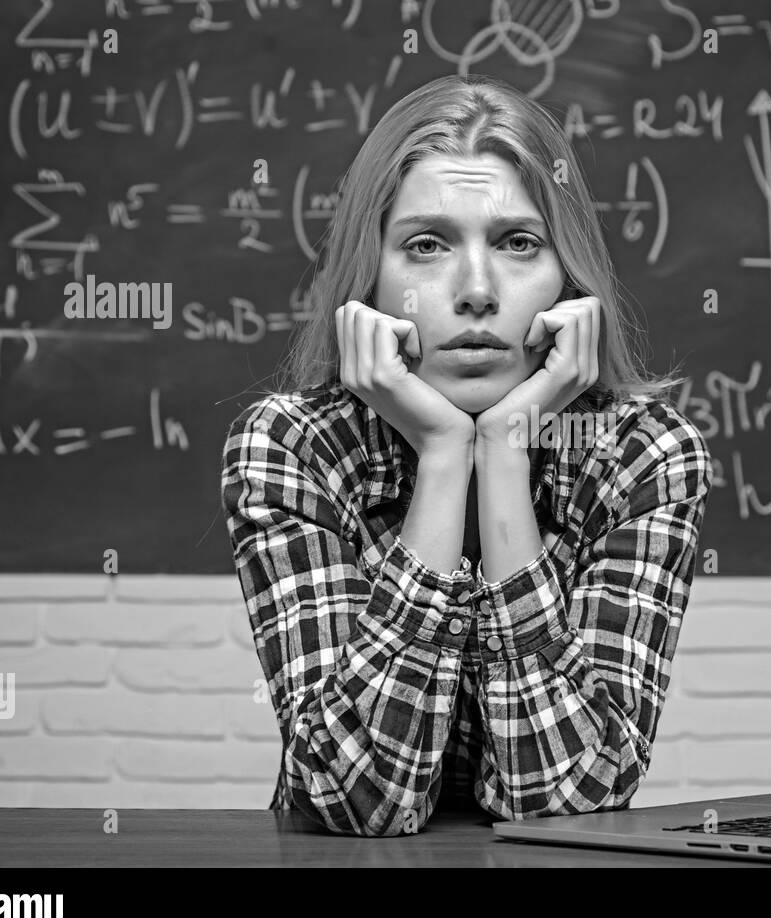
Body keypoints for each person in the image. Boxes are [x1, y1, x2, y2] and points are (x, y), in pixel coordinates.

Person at [221, 73, 714, 836]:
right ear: (372, 282)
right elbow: (359, 799)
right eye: (426, 244)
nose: (477, 290)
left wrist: (507, 453)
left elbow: (566, 799)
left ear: (568, 280)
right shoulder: (292, 447)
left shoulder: (643, 457)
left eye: (519, 243)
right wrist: (448, 453)